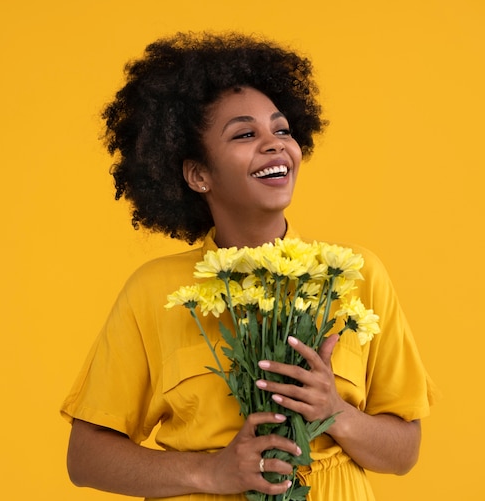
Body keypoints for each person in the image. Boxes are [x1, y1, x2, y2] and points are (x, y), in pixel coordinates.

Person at [61, 32, 438, 501]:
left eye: (282, 130)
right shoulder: (152, 290)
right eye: (245, 134)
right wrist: (210, 473)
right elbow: (86, 458)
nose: (275, 145)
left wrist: (335, 410)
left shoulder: (355, 275)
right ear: (199, 174)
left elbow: (403, 452)